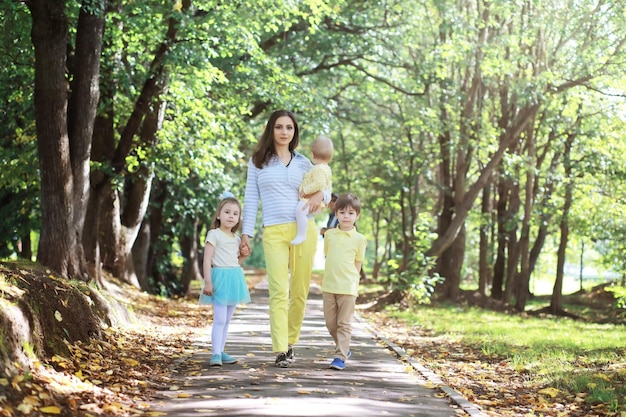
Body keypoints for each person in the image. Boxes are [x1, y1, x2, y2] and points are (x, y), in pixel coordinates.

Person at [241, 109, 330, 368]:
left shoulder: (305, 162)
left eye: (289, 128)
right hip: (273, 231)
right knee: (279, 291)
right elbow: (250, 199)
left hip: (305, 231)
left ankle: (290, 341)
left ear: (294, 132)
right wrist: (245, 233)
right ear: (272, 130)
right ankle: (280, 348)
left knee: (300, 291)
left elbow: (326, 188)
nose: (284, 132)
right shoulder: (258, 161)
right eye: (279, 127)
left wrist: (320, 196)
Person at [199, 192, 251, 367]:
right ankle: (214, 354)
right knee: (219, 318)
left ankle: (220, 350)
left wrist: (244, 255)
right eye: (227, 212)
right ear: (219, 215)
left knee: (227, 319)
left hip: (234, 278)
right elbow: (207, 259)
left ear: (239, 218)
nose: (231, 216)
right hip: (219, 278)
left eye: (235, 214)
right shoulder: (214, 234)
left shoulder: (236, 239)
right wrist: (208, 281)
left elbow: (236, 262)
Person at [321, 193, 367, 370]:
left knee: (344, 323)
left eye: (350, 213)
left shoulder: (359, 239)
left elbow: (358, 263)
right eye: (342, 212)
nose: (346, 216)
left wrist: (353, 284)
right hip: (329, 286)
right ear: (336, 214)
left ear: (357, 216)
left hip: (347, 287)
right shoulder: (330, 235)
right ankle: (344, 346)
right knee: (330, 323)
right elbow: (328, 256)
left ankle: (340, 356)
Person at [291, 135, 334, 245]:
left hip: (310, 199)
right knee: (301, 212)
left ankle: (301, 234)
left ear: (312, 154)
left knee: (299, 211)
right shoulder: (327, 168)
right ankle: (301, 233)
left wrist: (305, 190)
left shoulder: (318, 168)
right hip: (317, 200)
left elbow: (318, 183)